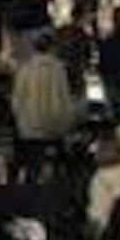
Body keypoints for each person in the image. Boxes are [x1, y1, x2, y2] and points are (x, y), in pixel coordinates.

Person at [12, 32, 78, 183]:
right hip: (54, 128)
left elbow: (17, 100)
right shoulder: (59, 68)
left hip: (30, 129)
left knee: (32, 167)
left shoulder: (25, 69)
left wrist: (21, 120)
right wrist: (67, 122)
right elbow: (65, 98)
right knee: (59, 167)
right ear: (52, 48)